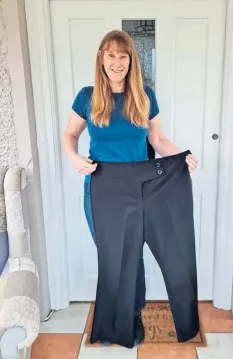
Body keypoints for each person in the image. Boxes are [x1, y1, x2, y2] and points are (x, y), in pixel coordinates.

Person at [62, 30, 199, 346]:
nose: (117, 62)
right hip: (102, 188)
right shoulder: (87, 96)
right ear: (101, 58)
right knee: (113, 256)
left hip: (144, 187)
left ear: (131, 61)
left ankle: (133, 317)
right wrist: (73, 157)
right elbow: (69, 135)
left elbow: (158, 140)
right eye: (111, 55)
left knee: (133, 255)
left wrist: (182, 157)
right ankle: (112, 322)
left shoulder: (145, 96)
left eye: (123, 56)